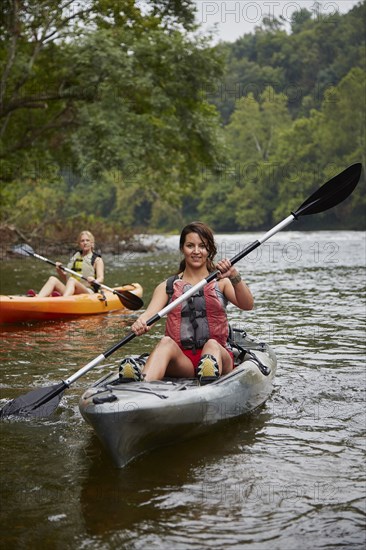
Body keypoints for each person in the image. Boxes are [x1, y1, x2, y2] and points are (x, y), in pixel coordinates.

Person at [119, 221, 254, 385]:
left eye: (202, 246)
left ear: (210, 250)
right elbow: (149, 315)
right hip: (184, 362)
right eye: (190, 246)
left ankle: (209, 373)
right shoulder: (168, 286)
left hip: (219, 355)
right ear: (182, 248)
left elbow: (247, 305)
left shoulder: (222, 282)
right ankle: (142, 386)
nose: (196, 251)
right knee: (165, 342)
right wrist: (140, 323)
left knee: (212, 344)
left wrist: (233, 275)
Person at [32, 231, 104, 297]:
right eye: (82, 241)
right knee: (52, 279)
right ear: (79, 244)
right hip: (71, 292)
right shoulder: (75, 257)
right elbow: (66, 279)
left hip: (88, 292)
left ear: (92, 243)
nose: (85, 243)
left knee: (72, 280)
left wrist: (94, 281)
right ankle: (38, 299)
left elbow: (101, 278)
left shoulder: (97, 260)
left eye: (87, 240)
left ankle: (63, 301)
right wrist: (59, 270)